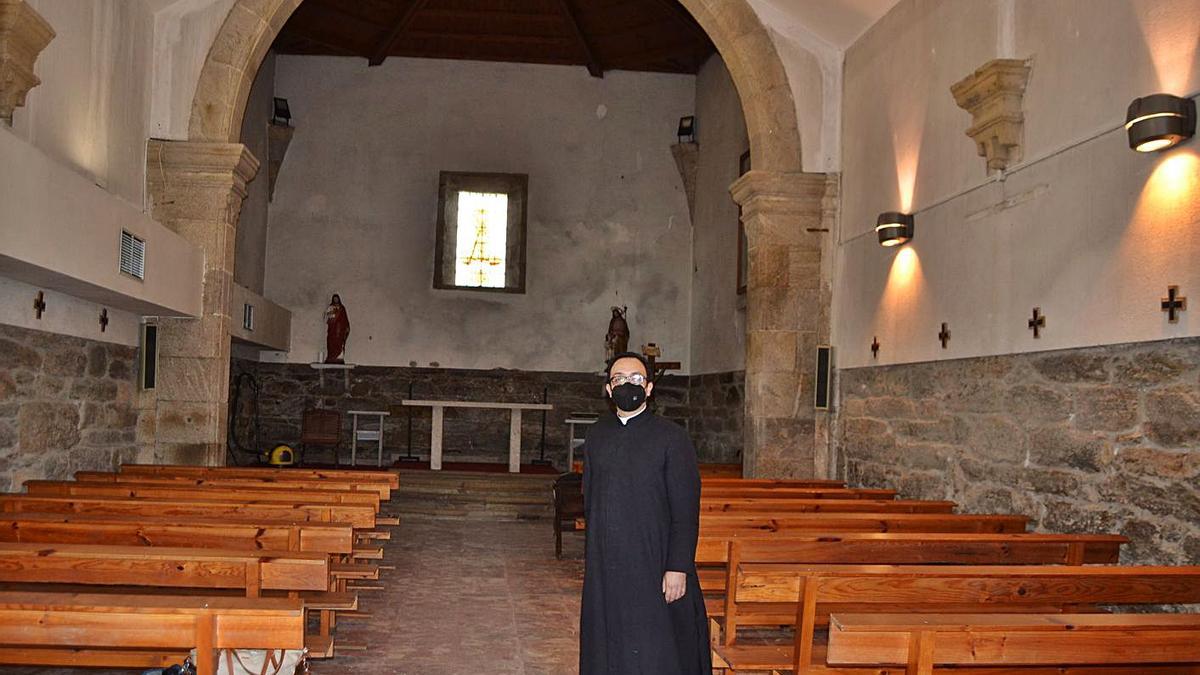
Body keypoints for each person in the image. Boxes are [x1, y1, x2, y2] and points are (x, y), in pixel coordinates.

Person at [579, 352, 711, 675]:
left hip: (653, 564)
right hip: (607, 566)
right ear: (609, 390)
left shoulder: (672, 438)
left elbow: (685, 509)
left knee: (656, 651)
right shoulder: (597, 436)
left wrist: (678, 567)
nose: (627, 385)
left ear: (649, 388)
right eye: (618, 379)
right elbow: (591, 498)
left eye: (635, 379)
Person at [324, 294, 350, 364]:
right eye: (334, 299)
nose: (336, 300)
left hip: (340, 330)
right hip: (332, 329)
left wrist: (347, 327)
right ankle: (331, 357)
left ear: (339, 299)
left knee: (339, 343)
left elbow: (345, 319)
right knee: (330, 342)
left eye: (337, 298)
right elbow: (327, 318)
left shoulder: (342, 308)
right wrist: (331, 315)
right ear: (333, 299)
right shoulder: (330, 307)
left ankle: (339, 358)